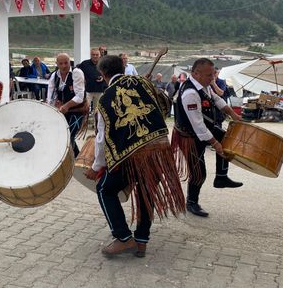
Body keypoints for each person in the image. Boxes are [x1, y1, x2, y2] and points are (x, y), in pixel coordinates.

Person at [84, 55, 185, 257]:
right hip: (158, 151)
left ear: (102, 74)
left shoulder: (105, 99)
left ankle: (123, 238)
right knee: (146, 193)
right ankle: (141, 242)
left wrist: (96, 168)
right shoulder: (144, 84)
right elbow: (165, 106)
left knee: (105, 189)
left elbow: (102, 139)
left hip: (133, 155)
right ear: (123, 67)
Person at [171, 58, 243, 218]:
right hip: (189, 136)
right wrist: (215, 143)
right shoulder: (190, 93)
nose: (212, 78)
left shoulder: (204, 85)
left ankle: (221, 178)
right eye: (209, 75)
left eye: (213, 74)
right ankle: (191, 203)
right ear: (195, 74)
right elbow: (198, 125)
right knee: (199, 172)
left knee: (226, 139)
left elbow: (216, 100)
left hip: (202, 128)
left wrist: (233, 114)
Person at [46, 53, 86, 157]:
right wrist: (50, 109)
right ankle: (78, 157)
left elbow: (80, 96)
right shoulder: (54, 76)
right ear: (57, 64)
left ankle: (69, 160)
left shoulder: (77, 73)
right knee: (63, 136)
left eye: (66, 63)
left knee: (70, 135)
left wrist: (66, 106)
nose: (64, 66)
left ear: (70, 62)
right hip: (62, 111)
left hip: (77, 111)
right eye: (61, 63)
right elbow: (50, 96)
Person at [78, 48, 106, 113]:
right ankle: (85, 122)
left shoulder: (104, 64)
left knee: (98, 111)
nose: (95, 56)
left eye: (97, 54)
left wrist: (103, 78)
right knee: (85, 109)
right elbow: (77, 72)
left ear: (100, 55)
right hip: (88, 90)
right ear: (90, 55)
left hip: (100, 90)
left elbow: (108, 74)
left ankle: (96, 123)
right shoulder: (85, 63)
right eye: (93, 54)